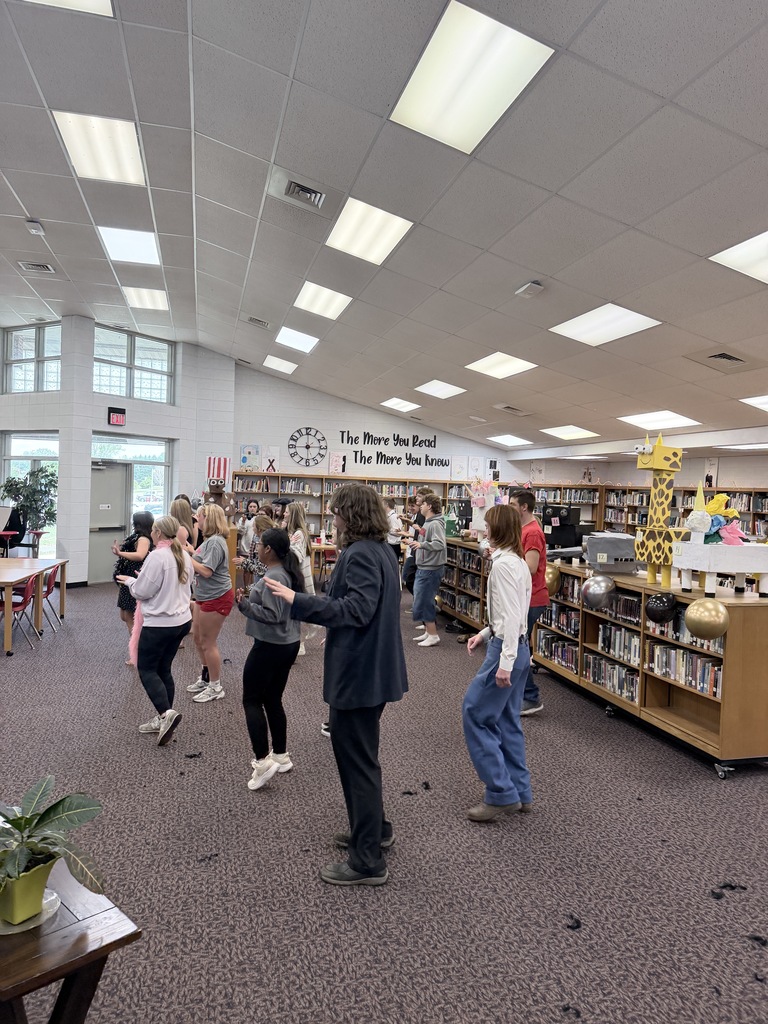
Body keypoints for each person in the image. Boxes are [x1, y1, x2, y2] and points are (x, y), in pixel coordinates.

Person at [265, 483, 408, 887]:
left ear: (352, 514)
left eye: (337, 512)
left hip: (359, 673)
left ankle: (368, 861)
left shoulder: (362, 553)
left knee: (356, 761)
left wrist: (298, 601)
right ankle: (375, 830)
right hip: (373, 668)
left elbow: (357, 610)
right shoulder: (382, 550)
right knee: (363, 755)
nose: (334, 519)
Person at [462, 504, 533, 821]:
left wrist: (504, 661)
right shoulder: (516, 562)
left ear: (498, 529)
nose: (484, 530)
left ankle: (500, 793)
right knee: (507, 721)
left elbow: (514, 615)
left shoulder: (504, 566)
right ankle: (520, 791)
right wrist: (486, 632)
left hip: (508, 652)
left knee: (475, 713)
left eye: (488, 525)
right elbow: (514, 613)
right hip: (518, 648)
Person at [235, 528, 304, 790]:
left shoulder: (275, 576)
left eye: (260, 544)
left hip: (271, 646)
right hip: (286, 643)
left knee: (251, 700)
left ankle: (262, 761)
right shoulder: (284, 572)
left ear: (269, 550)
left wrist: (245, 606)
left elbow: (273, 615)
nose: (257, 547)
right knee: (272, 698)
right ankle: (281, 755)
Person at [116, 515, 193, 746]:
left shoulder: (157, 556)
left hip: (159, 623)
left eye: (154, 531)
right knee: (164, 669)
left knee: (147, 669)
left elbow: (142, 592)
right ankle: (164, 718)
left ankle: (165, 714)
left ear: (158, 533)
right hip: (182, 621)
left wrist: (130, 582)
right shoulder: (184, 556)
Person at [187, 503, 234, 703]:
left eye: (199, 516)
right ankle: (206, 678)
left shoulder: (215, 542)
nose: (197, 520)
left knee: (208, 641)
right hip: (204, 595)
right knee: (198, 638)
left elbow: (206, 571)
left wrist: (186, 558)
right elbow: (199, 558)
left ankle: (215, 686)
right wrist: (189, 552)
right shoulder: (209, 541)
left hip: (217, 596)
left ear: (209, 518)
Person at [509, 489, 549, 716]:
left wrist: (507, 560)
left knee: (518, 648)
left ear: (524, 507)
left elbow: (531, 567)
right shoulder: (523, 529)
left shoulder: (532, 533)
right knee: (517, 646)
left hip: (532, 598)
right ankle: (523, 695)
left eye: (513, 504)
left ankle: (531, 697)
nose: (510, 508)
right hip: (524, 597)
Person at [111, 511, 154, 652]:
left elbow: (140, 555)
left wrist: (120, 553)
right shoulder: (136, 537)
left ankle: (138, 651)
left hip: (134, 578)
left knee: (131, 616)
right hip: (127, 578)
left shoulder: (143, 539)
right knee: (124, 615)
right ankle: (138, 648)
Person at [408, 493, 446, 648]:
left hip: (430, 568)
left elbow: (439, 544)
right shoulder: (429, 523)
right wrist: (415, 539)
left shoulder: (435, 524)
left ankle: (433, 634)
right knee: (421, 598)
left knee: (425, 600)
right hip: (425, 566)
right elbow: (426, 537)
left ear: (429, 506)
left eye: (422, 504)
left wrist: (421, 545)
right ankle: (428, 631)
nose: (420, 506)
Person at [284, 501, 316, 655]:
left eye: (287, 512)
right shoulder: (294, 532)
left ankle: (300, 643)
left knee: (299, 609)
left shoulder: (299, 533)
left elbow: (295, 555)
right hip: (297, 576)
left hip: (299, 577)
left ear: (293, 515)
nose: (284, 514)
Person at [400, 487, 431, 593]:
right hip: (415, 550)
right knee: (410, 577)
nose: (416, 497)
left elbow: (424, 533)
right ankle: (419, 601)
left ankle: (421, 600)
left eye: (419, 496)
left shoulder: (427, 518)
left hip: (419, 551)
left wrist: (412, 540)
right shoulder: (420, 515)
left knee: (409, 577)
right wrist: (409, 522)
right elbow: (420, 531)